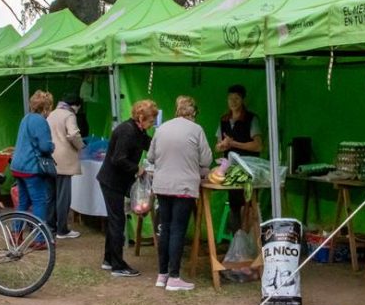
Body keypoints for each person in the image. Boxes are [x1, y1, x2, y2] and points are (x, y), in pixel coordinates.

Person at [148, 96, 212, 291]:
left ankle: (162, 275)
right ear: (193, 113)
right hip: (184, 187)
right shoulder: (196, 130)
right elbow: (207, 159)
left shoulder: (162, 128)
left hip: (162, 186)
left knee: (164, 228)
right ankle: (175, 276)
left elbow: (151, 156)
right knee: (177, 229)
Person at [97, 99, 158, 277]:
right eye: (150, 121)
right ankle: (118, 265)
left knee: (114, 220)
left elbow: (152, 145)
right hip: (111, 181)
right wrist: (136, 168)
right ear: (140, 117)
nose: (151, 124)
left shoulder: (139, 131)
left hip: (116, 181)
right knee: (118, 221)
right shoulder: (127, 131)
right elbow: (118, 158)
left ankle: (109, 259)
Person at [214, 84, 263, 231]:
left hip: (249, 170)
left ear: (242, 100)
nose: (233, 102)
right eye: (230, 98)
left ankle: (250, 239)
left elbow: (258, 145)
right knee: (234, 203)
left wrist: (234, 143)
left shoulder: (251, 119)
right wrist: (222, 146)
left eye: (236, 98)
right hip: (231, 170)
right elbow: (217, 147)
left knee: (248, 203)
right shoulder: (223, 120)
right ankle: (236, 240)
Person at [10, 90, 56, 227]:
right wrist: (52, 146)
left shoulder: (26, 118)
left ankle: (16, 233)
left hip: (18, 166)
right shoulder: (41, 121)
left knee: (23, 202)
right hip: (32, 168)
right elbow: (45, 147)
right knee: (39, 202)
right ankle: (40, 238)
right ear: (47, 108)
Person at [47, 91, 84, 240]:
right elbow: (73, 134)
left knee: (51, 196)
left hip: (50, 158)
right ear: (76, 106)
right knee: (63, 196)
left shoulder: (53, 113)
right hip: (64, 159)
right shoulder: (69, 115)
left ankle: (50, 227)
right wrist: (81, 146)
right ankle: (62, 229)